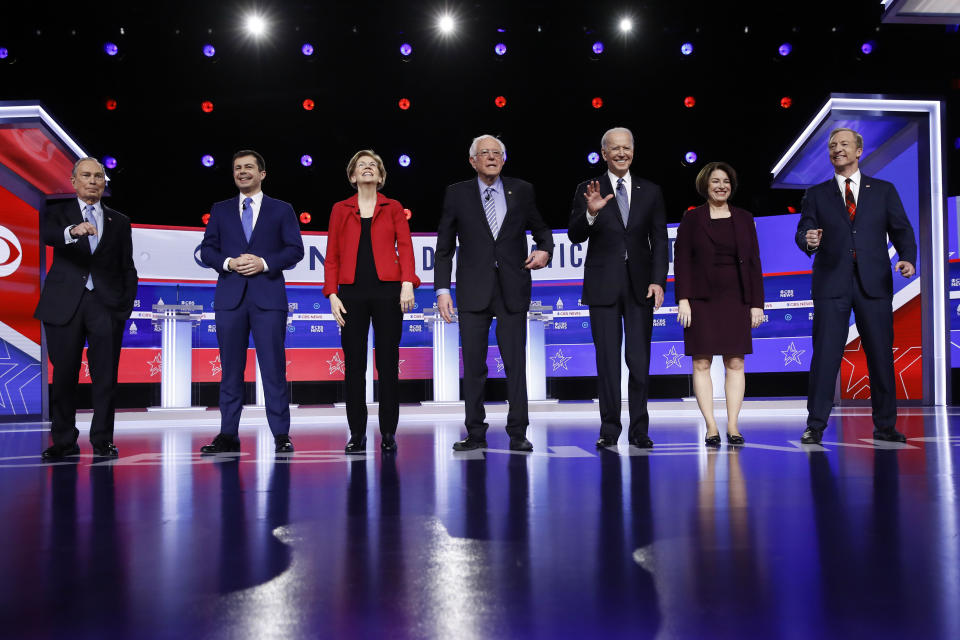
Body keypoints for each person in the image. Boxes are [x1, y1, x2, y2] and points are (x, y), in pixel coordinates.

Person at [795, 128, 917, 444]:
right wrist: (808, 240)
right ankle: (815, 426)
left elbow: (901, 229)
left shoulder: (884, 190)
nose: (838, 149)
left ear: (859, 150)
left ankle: (886, 426)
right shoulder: (816, 194)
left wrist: (907, 258)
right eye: (833, 145)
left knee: (880, 355)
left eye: (844, 144)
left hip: (873, 283)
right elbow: (804, 229)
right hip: (830, 283)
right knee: (824, 356)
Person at [435, 134, 554, 452]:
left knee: (515, 363)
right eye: (484, 153)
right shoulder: (456, 193)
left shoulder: (523, 190)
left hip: (512, 289)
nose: (491, 157)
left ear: (504, 159)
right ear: (472, 160)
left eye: (496, 152)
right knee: (474, 366)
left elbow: (541, 230)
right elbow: (444, 247)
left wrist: (545, 250)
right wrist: (442, 290)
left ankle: (518, 431)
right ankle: (475, 432)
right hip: (473, 291)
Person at [568, 126, 668, 449]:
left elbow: (660, 241)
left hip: (641, 287)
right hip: (603, 286)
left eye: (627, 148)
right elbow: (574, 234)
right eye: (616, 148)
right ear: (604, 153)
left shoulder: (650, 191)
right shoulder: (588, 187)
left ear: (633, 152)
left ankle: (640, 429)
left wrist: (658, 280)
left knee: (638, 361)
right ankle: (609, 428)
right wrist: (590, 213)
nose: (622, 153)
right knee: (607, 362)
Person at [199, 150, 305, 454]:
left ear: (262, 174)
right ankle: (228, 434)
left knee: (273, 369)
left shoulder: (281, 209)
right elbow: (208, 250)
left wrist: (264, 263)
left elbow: (294, 250)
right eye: (237, 168)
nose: (242, 172)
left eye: (248, 167)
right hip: (230, 299)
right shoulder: (220, 210)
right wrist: (230, 262)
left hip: (268, 299)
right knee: (230, 370)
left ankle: (281, 434)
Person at [35, 157, 138, 459]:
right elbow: (48, 236)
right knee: (65, 375)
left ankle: (103, 440)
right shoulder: (56, 213)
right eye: (86, 175)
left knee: (105, 377)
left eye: (98, 176)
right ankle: (64, 441)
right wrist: (73, 231)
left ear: (105, 183)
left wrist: (125, 305)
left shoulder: (119, 221)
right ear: (74, 181)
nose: (93, 180)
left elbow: (126, 267)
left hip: (106, 307)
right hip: (64, 304)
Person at [323, 150, 420, 454]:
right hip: (351, 294)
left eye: (373, 165)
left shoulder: (393, 207)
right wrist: (332, 294)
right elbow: (332, 254)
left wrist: (407, 283)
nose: (367, 168)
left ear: (380, 176)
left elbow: (405, 246)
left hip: (389, 292)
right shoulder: (340, 209)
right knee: (354, 366)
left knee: (388, 364)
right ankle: (357, 433)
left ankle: (389, 432)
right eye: (361, 166)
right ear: (353, 176)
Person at [673, 162, 764, 446]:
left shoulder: (745, 218)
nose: (721, 185)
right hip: (701, 299)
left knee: (735, 362)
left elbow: (753, 263)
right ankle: (711, 427)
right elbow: (682, 261)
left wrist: (756, 304)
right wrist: (683, 300)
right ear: (706, 185)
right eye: (715, 181)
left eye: (726, 180)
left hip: (736, 297)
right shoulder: (692, 219)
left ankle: (733, 426)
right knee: (701, 362)